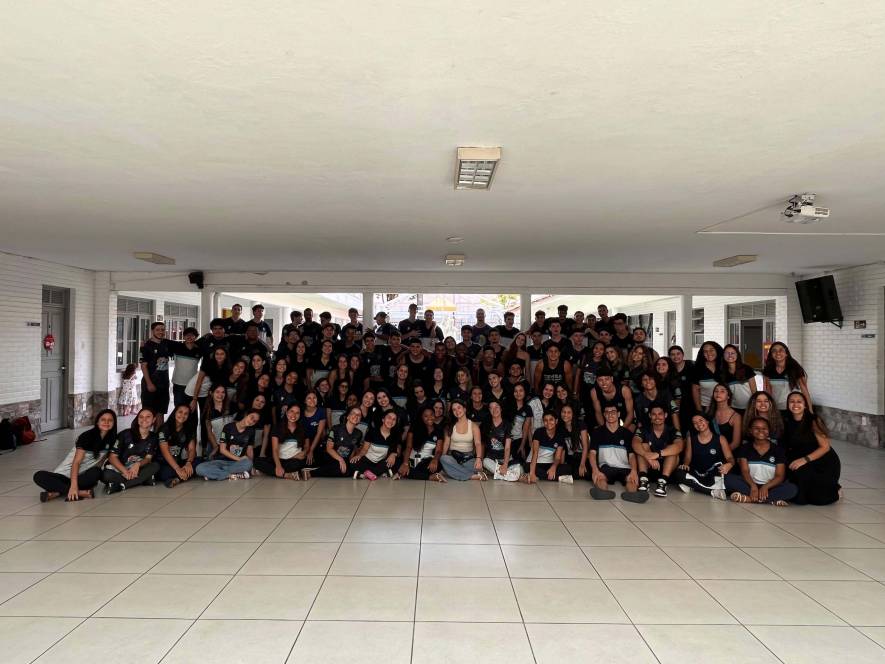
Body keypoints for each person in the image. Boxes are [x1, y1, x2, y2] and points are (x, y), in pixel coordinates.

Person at [33, 409, 115, 502]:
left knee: (96, 472)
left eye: (110, 420)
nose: (106, 422)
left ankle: (58, 492)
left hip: (83, 476)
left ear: (114, 423)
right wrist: (73, 486)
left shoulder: (112, 439)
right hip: (64, 475)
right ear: (97, 422)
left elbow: (101, 462)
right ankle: (79, 492)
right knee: (38, 476)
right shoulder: (86, 437)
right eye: (103, 420)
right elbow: (76, 462)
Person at [782, 392, 841, 505]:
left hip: (821, 461)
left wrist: (805, 460)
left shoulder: (813, 420)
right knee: (800, 497)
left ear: (805, 405)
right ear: (788, 405)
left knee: (819, 500)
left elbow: (825, 447)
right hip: (801, 460)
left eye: (799, 402)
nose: (795, 404)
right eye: (792, 402)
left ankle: (836, 490)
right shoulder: (785, 420)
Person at [726, 417, 798, 505]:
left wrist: (766, 487)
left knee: (792, 489)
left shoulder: (778, 450)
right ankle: (768, 499)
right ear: (750, 430)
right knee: (728, 479)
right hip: (749, 485)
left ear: (769, 431)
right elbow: (745, 471)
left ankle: (750, 499)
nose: (760, 431)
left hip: (770, 486)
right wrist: (753, 486)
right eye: (756, 428)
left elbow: (779, 476)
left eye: (764, 428)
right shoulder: (745, 448)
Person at [588, 405, 646, 502]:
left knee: (631, 480)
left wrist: (634, 471)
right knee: (600, 478)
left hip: (624, 467)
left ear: (618, 414)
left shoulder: (627, 434)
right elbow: (592, 453)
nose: (610, 414)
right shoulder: (597, 432)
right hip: (606, 466)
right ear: (604, 414)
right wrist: (595, 470)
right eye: (607, 412)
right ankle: (602, 492)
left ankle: (632, 495)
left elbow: (631, 456)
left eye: (613, 412)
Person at [673, 415, 734, 499]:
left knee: (726, 476)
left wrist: (729, 464)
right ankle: (712, 491)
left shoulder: (720, 438)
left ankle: (693, 485)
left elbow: (730, 458)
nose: (698, 424)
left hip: (713, 473)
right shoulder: (691, 438)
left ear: (707, 421)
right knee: (679, 472)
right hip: (696, 472)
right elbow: (688, 457)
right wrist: (685, 464)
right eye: (695, 423)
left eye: (701, 420)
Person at [102, 408, 159, 494]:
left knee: (155, 466)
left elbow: (148, 459)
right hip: (119, 468)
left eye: (148, 417)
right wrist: (125, 471)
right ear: (137, 419)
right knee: (105, 475)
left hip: (136, 469)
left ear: (153, 419)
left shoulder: (153, 437)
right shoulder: (125, 434)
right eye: (141, 417)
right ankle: (142, 479)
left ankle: (121, 485)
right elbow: (112, 457)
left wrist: (138, 464)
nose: (144, 419)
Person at [632, 405, 684, 497]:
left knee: (672, 449)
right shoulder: (643, 429)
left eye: (660, 414)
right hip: (649, 466)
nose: (657, 417)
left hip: (666, 469)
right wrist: (646, 455)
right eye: (654, 414)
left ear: (665, 415)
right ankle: (643, 479)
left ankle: (662, 482)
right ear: (650, 415)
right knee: (642, 446)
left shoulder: (672, 430)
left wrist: (657, 454)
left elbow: (679, 446)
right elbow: (635, 443)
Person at [196, 410, 260, 481]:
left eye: (255, 421)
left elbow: (250, 450)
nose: (252, 421)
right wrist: (239, 459)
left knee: (248, 463)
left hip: (237, 463)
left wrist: (251, 465)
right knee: (199, 468)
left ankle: (216, 474)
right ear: (246, 415)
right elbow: (222, 450)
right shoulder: (228, 427)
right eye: (252, 417)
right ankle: (233, 474)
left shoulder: (251, 431)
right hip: (221, 460)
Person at [253, 405, 308, 480]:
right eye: (291, 411)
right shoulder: (277, 427)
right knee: (257, 461)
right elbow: (275, 449)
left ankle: (271, 471)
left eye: (297, 413)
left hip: (294, 460)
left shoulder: (302, 428)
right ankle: (286, 475)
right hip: (279, 459)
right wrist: (278, 466)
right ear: (286, 412)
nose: (294, 415)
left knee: (298, 464)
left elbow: (307, 446)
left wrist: (304, 452)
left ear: (300, 415)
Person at [310, 407, 366, 478]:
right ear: (348, 416)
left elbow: (353, 449)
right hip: (330, 456)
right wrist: (341, 460)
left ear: (360, 420)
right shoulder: (336, 429)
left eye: (359, 415)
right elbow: (329, 449)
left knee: (352, 466)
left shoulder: (359, 433)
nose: (356, 416)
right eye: (353, 413)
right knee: (339, 467)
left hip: (344, 459)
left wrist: (351, 462)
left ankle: (346, 471)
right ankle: (311, 472)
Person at [439, 399, 486, 481]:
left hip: (468, 458)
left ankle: (455, 471)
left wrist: (479, 459)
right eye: (454, 409)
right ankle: (471, 476)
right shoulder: (450, 426)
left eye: (459, 408)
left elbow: (478, 443)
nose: (457, 411)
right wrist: (442, 460)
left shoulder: (474, 426)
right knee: (444, 459)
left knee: (477, 467)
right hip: (453, 457)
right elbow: (446, 444)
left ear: (464, 409)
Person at [399, 406, 447, 481]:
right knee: (401, 464)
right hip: (412, 459)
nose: (429, 418)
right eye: (426, 416)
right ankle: (430, 477)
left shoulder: (438, 430)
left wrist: (435, 460)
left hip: (426, 461)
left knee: (438, 465)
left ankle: (407, 473)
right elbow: (408, 447)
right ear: (421, 417)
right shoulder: (414, 428)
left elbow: (439, 450)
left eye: (431, 414)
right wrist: (405, 463)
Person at [522, 411, 570, 483]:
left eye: (551, 420)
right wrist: (532, 472)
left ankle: (540, 476)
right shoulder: (538, 432)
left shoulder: (560, 435)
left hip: (548, 464)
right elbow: (535, 453)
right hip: (534, 463)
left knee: (567, 468)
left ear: (556, 421)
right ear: (543, 422)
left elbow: (557, 458)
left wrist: (553, 467)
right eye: (545, 420)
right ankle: (558, 478)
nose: (548, 422)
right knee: (527, 467)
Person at [763, 341, 811, 413]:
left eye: (781, 350)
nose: (778, 353)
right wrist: (768, 409)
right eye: (774, 351)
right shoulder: (768, 370)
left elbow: (805, 391)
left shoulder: (795, 368)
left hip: (794, 409)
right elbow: (768, 391)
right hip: (776, 409)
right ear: (771, 354)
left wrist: (810, 410)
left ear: (786, 353)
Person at [157, 405, 198, 488]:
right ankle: (181, 475)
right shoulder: (164, 429)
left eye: (186, 414)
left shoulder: (189, 429)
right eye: (180, 412)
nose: (182, 415)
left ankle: (177, 479)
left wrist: (188, 462)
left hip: (179, 461)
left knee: (199, 462)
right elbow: (165, 452)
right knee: (165, 472)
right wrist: (177, 468)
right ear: (174, 412)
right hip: (164, 462)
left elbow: (192, 449)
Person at [352, 410, 401, 479]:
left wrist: (393, 454)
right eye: (389, 418)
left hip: (381, 462)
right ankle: (381, 473)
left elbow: (397, 450)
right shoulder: (372, 432)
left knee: (396, 461)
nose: (391, 421)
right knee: (353, 462)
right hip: (368, 460)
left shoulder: (395, 435)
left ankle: (364, 473)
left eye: (394, 419)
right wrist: (359, 455)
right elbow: (364, 449)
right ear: (383, 419)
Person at [139, 321, 172, 424]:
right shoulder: (146, 346)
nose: (161, 332)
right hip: (150, 383)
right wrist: (149, 383)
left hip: (164, 384)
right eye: (158, 330)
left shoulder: (166, 343)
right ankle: (147, 433)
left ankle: (159, 433)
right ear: (152, 331)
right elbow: (143, 366)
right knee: (148, 413)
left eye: (163, 330)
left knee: (160, 412)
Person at [482, 400, 522, 481]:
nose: (494, 410)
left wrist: (505, 464)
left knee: (520, 469)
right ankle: (511, 476)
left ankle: (500, 474)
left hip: (506, 458)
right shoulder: (486, 424)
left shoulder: (507, 424)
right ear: (489, 410)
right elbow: (482, 443)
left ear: (501, 409)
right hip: (492, 459)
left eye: (497, 407)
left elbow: (507, 448)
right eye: (491, 408)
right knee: (485, 461)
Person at [170, 327, 203, 408]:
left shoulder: (199, 350)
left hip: (192, 383)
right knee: (179, 407)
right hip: (178, 382)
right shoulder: (177, 347)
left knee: (191, 407)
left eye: (192, 335)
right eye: (187, 335)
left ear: (196, 337)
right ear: (183, 336)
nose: (189, 337)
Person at [706, 382, 742, 451]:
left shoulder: (736, 417)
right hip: (711, 449)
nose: (718, 393)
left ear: (728, 396)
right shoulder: (709, 410)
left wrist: (720, 453)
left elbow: (735, 443)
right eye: (716, 391)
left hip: (728, 451)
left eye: (722, 391)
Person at [721, 344, 756, 413]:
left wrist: (754, 405)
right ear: (723, 355)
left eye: (732, 353)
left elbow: (754, 390)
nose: (730, 355)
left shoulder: (746, 369)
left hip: (749, 407)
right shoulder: (723, 372)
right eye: (727, 353)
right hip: (733, 408)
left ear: (737, 355)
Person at [691, 341, 723, 413]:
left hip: (724, 407)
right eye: (705, 351)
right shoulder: (698, 368)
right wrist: (699, 410)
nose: (708, 353)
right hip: (705, 408)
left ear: (717, 351)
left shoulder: (724, 366)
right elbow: (695, 390)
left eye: (711, 350)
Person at [559, 403, 589, 479]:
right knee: (563, 471)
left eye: (569, 412)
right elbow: (563, 450)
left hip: (582, 457)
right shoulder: (560, 428)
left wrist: (582, 464)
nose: (565, 414)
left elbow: (585, 446)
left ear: (573, 414)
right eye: (563, 412)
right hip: (570, 459)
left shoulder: (581, 424)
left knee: (586, 474)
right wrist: (561, 465)